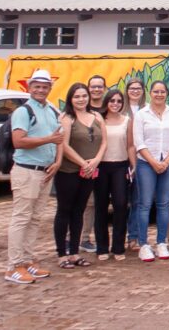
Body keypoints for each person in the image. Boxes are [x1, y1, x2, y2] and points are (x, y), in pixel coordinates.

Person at [5, 69, 63, 284]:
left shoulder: (51, 111)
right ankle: (14, 265)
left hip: (45, 172)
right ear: (29, 88)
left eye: (45, 86)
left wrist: (57, 162)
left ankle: (28, 260)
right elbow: (18, 141)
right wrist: (47, 139)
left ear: (50, 88)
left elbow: (59, 139)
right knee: (21, 218)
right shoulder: (23, 111)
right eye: (37, 86)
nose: (41, 90)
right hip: (26, 170)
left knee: (35, 218)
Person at [53, 82, 106, 269]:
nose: (81, 99)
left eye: (84, 96)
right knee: (64, 211)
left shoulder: (97, 116)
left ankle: (74, 253)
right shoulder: (66, 118)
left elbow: (104, 142)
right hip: (69, 172)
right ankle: (61, 254)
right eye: (77, 96)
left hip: (90, 172)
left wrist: (96, 161)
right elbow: (64, 146)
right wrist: (83, 163)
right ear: (70, 99)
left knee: (79, 211)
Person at [133, 80, 169, 262]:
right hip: (146, 163)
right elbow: (139, 142)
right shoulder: (141, 114)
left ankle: (161, 242)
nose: (159, 95)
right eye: (156, 91)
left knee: (164, 204)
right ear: (150, 93)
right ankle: (144, 244)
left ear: (167, 94)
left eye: (162, 92)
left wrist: (167, 160)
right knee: (145, 204)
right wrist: (154, 162)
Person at [94, 88, 135, 261]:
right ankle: (102, 247)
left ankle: (118, 247)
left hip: (120, 166)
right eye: (112, 101)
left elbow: (130, 146)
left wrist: (133, 165)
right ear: (106, 102)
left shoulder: (127, 120)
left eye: (119, 101)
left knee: (120, 205)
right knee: (101, 206)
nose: (115, 104)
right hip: (101, 166)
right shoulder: (97, 119)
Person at [78, 74, 108, 254]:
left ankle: (87, 238)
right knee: (82, 202)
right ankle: (77, 238)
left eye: (100, 86)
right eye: (93, 86)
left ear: (104, 89)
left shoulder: (107, 108)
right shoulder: (80, 108)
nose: (96, 89)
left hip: (104, 162)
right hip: (82, 162)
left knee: (96, 203)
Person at [124, 78, 147, 251]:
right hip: (119, 160)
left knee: (138, 201)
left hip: (141, 161)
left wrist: (136, 164)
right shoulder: (119, 108)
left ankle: (134, 236)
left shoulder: (147, 110)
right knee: (120, 201)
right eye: (132, 88)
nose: (135, 91)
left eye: (138, 88)